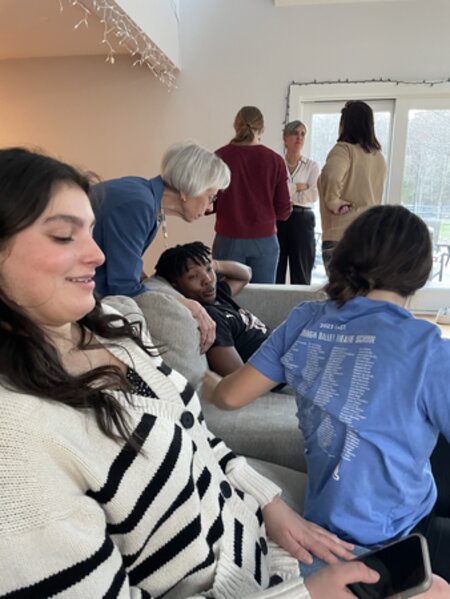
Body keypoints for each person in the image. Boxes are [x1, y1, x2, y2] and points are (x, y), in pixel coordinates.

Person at [0, 146, 417, 599]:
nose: (98, 254)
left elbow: (193, 432)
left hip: (263, 542)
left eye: (92, 231)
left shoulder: (114, 326)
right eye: (64, 236)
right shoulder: (17, 441)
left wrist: (269, 503)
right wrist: (309, 594)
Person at [207, 205, 450, 583]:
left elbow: (229, 397)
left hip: (327, 513)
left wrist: (204, 380)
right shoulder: (428, 348)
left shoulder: (305, 318)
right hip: (398, 531)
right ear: (418, 273)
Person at [91, 141, 231, 353]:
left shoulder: (148, 201)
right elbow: (124, 286)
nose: (211, 208)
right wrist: (184, 303)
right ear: (187, 189)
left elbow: (128, 267)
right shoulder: (139, 204)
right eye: (211, 197)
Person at [154, 241, 270, 376]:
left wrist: (215, 264)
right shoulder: (210, 318)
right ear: (176, 286)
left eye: (209, 270)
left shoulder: (216, 293)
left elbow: (246, 274)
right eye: (193, 276)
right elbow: (238, 379)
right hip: (276, 370)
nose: (208, 280)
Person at [213, 106, 292, 283]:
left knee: (226, 295)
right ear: (262, 129)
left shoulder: (220, 157)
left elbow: (209, 204)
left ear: (236, 126)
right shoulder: (275, 160)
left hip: (228, 238)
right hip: (264, 239)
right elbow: (284, 211)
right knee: (262, 296)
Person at [318, 100, 387, 272]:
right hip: (369, 238)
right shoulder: (378, 157)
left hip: (341, 236)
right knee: (362, 287)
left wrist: (333, 201)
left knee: (340, 288)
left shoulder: (344, 150)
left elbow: (331, 175)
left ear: (345, 124)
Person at [276, 121, 320, 285]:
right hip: (279, 219)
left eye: (302, 134)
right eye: (295, 133)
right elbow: (273, 195)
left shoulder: (312, 166)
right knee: (276, 272)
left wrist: (286, 192)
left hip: (302, 220)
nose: (299, 137)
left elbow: (313, 195)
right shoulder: (277, 164)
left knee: (301, 273)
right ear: (285, 138)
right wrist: (297, 187)